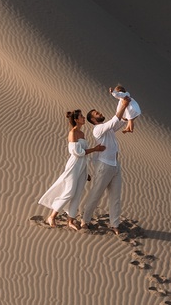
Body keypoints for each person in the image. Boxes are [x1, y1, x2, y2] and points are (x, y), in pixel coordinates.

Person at [35, 109, 103, 228]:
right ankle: (52, 216)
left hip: (82, 167)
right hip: (74, 165)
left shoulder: (82, 134)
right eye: (81, 116)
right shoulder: (72, 133)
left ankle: (70, 221)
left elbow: (83, 155)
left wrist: (85, 172)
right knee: (69, 191)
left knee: (77, 194)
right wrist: (95, 149)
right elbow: (78, 152)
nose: (83, 118)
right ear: (76, 120)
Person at [79, 90, 134, 230]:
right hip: (104, 166)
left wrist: (124, 103)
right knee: (96, 193)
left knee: (115, 197)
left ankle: (115, 225)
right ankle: (85, 220)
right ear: (93, 120)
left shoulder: (108, 129)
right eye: (97, 113)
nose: (100, 113)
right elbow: (114, 120)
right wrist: (123, 104)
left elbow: (121, 121)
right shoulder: (98, 130)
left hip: (115, 166)